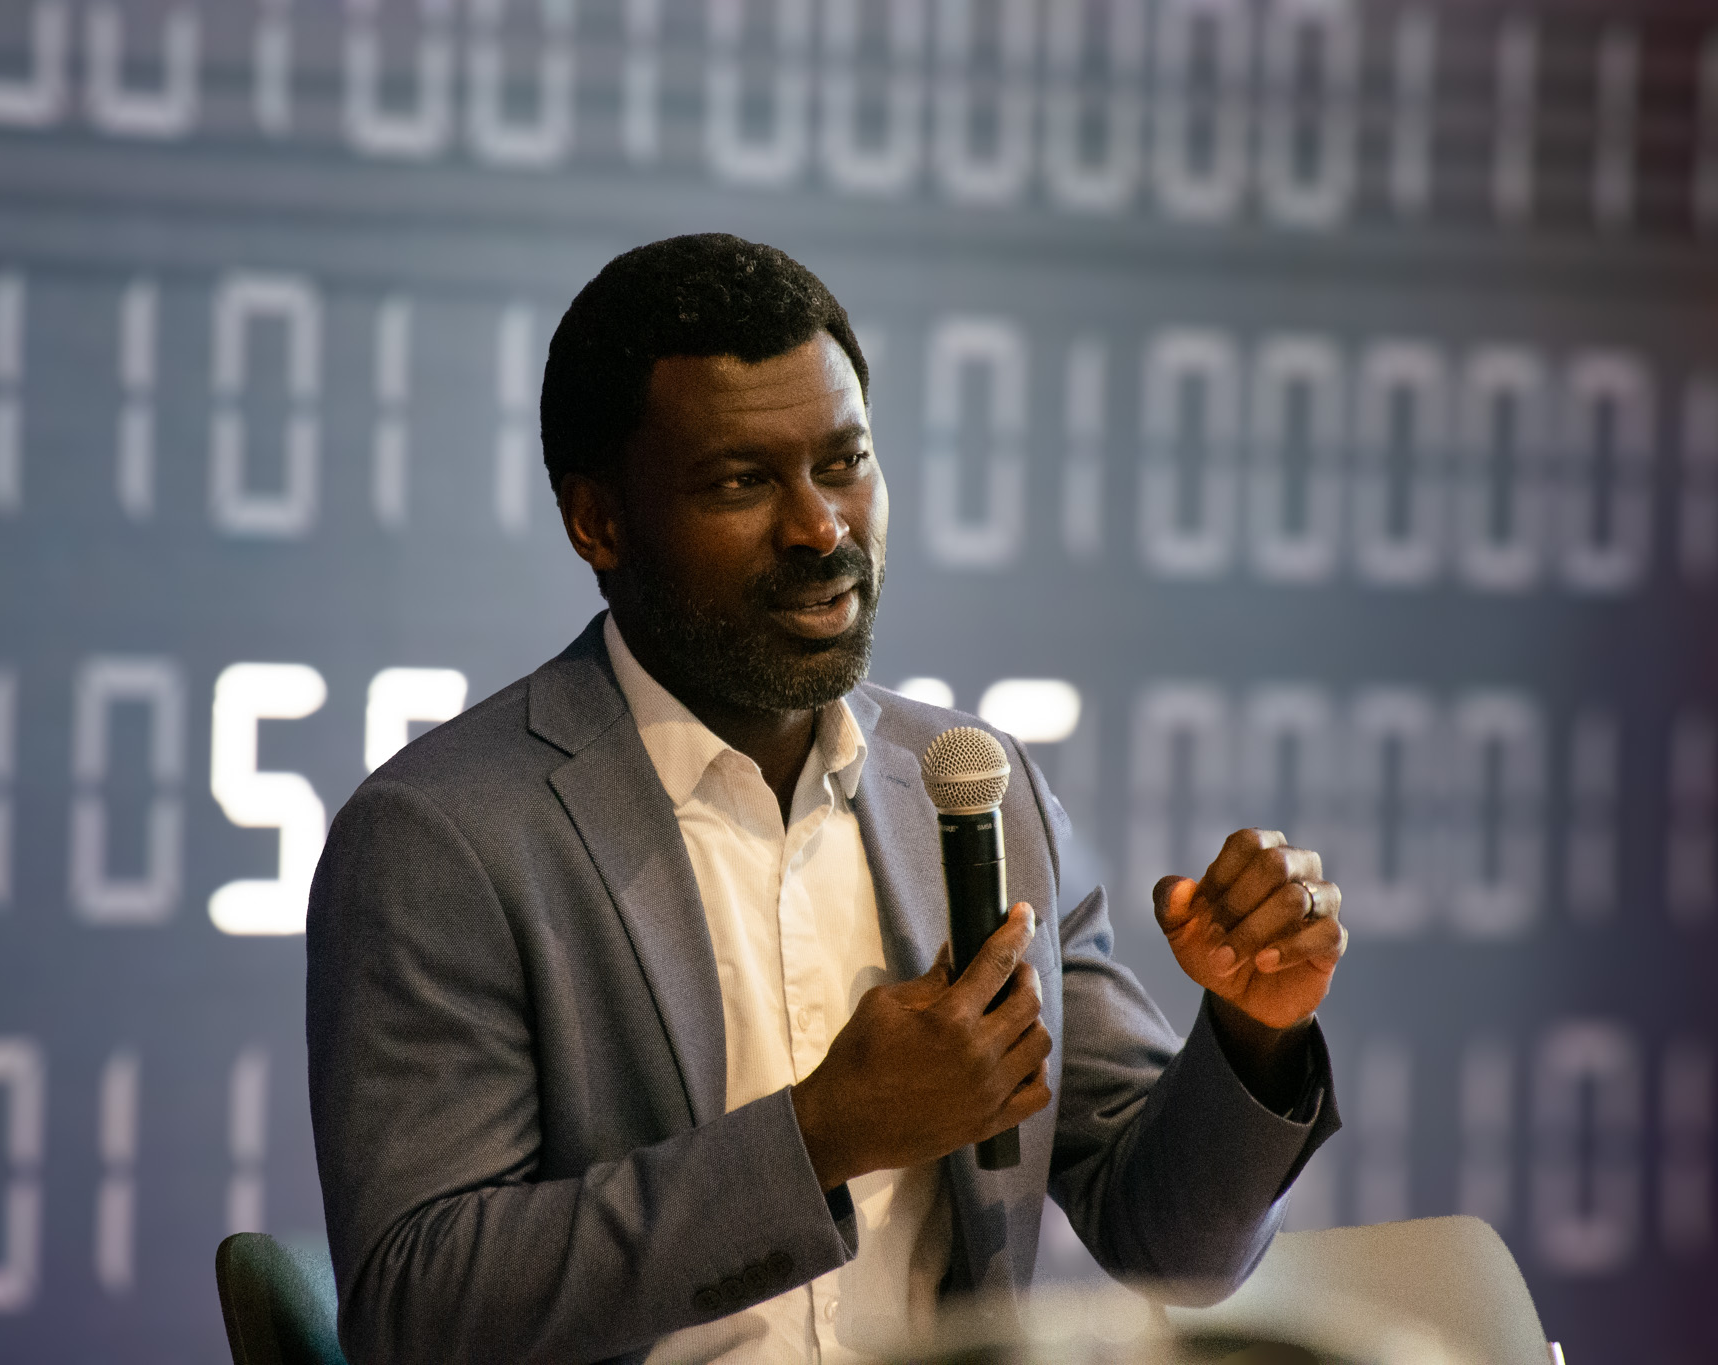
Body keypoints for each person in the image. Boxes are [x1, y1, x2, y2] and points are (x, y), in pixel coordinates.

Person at [307, 234, 1345, 1365]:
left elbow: (1173, 1248)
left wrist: (1250, 1031)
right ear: (597, 522)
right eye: (742, 482)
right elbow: (417, 1312)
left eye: (843, 462)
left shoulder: (974, 791)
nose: (820, 527)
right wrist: (817, 1140)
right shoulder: (445, 836)